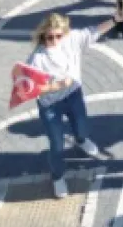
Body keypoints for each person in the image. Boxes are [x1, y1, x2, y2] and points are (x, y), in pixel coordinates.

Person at [25, 13, 113, 198]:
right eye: (50, 37)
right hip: (50, 105)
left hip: (73, 94)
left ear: (65, 33)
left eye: (58, 36)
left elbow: (93, 31)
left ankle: (81, 139)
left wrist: (115, 20)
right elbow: (31, 89)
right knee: (57, 144)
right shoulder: (37, 59)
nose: (54, 41)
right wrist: (56, 86)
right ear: (43, 35)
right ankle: (57, 177)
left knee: (82, 126)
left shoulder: (71, 39)